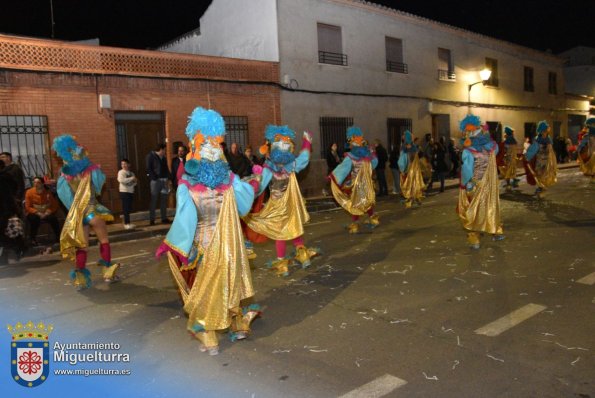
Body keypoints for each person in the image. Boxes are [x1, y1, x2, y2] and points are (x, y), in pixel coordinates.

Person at [156, 107, 261, 355]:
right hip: (223, 246)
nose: (215, 147)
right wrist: (254, 181)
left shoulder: (222, 181)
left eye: (217, 143)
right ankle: (233, 324)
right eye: (210, 143)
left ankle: (211, 332)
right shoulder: (225, 181)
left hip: (211, 245)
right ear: (197, 146)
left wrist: (177, 246)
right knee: (225, 285)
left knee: (212, 287)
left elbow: (184, 222)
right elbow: (244, 204)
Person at [244, 125, 318, 276]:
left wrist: (248, 187)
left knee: (280, 233)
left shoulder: (271, 168)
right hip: (290, 206)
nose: (284, 146)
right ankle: (303, 256)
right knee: (293, 228)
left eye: (286, 143)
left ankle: (282, 264)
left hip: (279, 206)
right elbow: (304, 158)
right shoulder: (290, 166)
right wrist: (307, 143)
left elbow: (259, 186)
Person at [52, 135, 121, 290]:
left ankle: (81, 278)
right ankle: (108, 272)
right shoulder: (89, 170)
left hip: (79, 214)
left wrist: (74, 210)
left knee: (82, 246)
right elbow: (99, 183)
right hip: (91, 210)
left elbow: (64, 196)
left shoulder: (65, 176)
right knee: (103, 240)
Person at [457, 115, 504, 250]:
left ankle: (474, 239)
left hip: (475, 184)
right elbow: (497, 150)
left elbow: (467, 170)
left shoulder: (468, 151)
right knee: (489, 206)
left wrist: (464, 184)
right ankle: (495, 230)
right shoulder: (491, 148)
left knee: (472, 210)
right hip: (489, 184)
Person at [329, 126, 379, 234]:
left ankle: (355, 224)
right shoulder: (368, 155)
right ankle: (373, 218)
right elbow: (374, 164)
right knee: (365, 201)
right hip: (367, 184)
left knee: (355, 203)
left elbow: (343, 168)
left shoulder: (351, 156)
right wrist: (372, 153)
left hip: (356, 184)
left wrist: (334, 176)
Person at [0, 159, 25, 263]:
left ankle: (15, 249)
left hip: (4, 209)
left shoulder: (4, 178)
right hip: (6, 209)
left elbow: (8, 195)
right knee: (5, 233)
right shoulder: (7, 177)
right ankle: (15, 249)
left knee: (4, 233)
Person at [524, 121, 557, 198]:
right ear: (542, 131)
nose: (546, 132)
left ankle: (541, 189)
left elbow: (533, 150)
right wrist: (528, 156)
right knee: (541, 174)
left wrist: (527, 156)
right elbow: (533, 150)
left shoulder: (541, 140)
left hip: (544, 161)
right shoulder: (545, 139)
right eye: (545, 130)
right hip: (542, 161)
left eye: (546, 131)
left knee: (540, 174)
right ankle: (541, 188)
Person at [24, 176, 61, 245]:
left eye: (38, 182)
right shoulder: (29, 192)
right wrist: (37, 212)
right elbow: (27, 207)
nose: (36, 184)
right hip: (34, 213)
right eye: (34, 182)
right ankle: (33, 239)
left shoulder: (48, 192)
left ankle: (58, 237)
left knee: (53, 219)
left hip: (45, 212)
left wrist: (48, 212)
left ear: (42, 184)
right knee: (34, 220)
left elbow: (55, 205)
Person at [398, 130, 426, 208]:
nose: (402, 136)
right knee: (414, 184)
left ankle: (410, 199)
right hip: (415, 170)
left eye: (403, 135)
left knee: (408, 184)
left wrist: (402, 169)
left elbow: (403, 159)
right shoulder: (413, 146)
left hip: (409, 169)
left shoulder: (405, 146)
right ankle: (416, 199)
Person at [145, 143, 171, 226]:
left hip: (164, 180)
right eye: (164, 150)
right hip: (156, 181)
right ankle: (152, 219)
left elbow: (166, 168)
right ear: (160, 149)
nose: (165, 151)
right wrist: (154, 178)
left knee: (164, 200)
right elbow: (149, 168)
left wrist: (169, 178)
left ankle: (164, 218)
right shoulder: (150, 156)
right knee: (154, 200)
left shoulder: (163, 158)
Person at [498, 126, 520, 191]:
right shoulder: (514, 141)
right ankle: (514, 181)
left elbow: (503, 150)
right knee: (512, 171)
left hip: (507, 159)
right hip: (513, 158)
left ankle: (508, 184)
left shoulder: (506, 142)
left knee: (506, 171)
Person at [117, 159, 137, 230]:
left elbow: (135, 183)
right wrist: (132, 178)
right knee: (125, 208)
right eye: (122, 164)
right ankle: (126, 223)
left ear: (129, 164)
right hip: (124, 191)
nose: (123, 165)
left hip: (131, 191)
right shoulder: (121, 172)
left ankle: (129, 223)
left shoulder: (131, 173)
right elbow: (121, 180)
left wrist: (134, 181)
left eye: (125, 164)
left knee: (129, 208)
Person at [577, 117, 595, 182]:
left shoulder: (587, 136)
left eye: (588, 127)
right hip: (591, 155)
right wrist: (579, 149)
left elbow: (582, 144)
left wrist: (578, 149)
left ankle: (593, 176)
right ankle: (593, 176)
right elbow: (582, 144)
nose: (587, 129)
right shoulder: (587, 136)